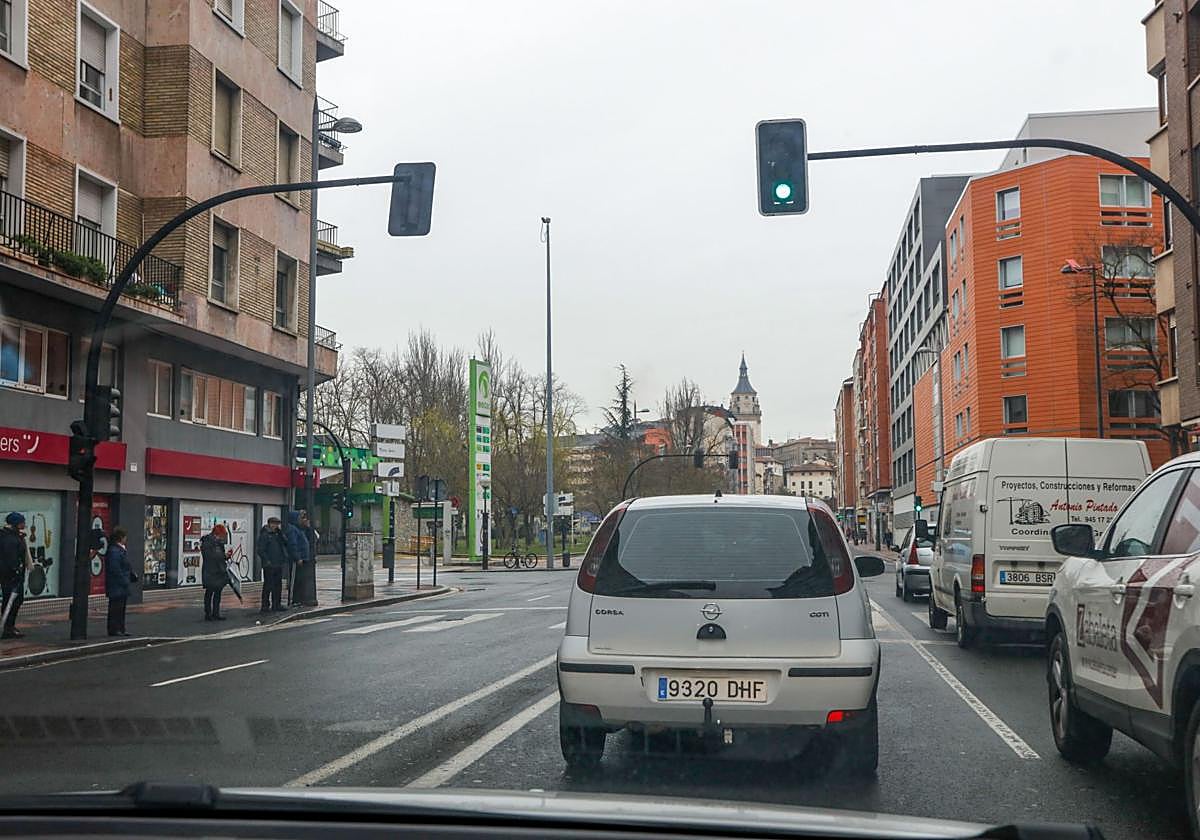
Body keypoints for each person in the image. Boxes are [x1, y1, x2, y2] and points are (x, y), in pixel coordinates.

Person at [0, 512, 31, 639]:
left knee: (14, 600)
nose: (24, 524)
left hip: (10, 574)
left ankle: (9, 626)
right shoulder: (10, 539)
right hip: (11, 576)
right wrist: (16, 571)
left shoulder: (12, 536)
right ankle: (8, 627)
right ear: (16, 524)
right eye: (22, 522)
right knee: (12, 601)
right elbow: (11, 557)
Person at [104, 527, 135, 637]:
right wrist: (124, 579)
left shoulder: (119, 550)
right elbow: (115, 568)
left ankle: (120, 628)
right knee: (115, 608)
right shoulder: (115, 551)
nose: (126, 539)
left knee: (120, 608)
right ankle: (114, 629)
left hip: (120, 585)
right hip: (117, 585)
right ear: (121, 538)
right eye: (125, 537)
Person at [256, 517, 290, 613]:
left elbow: (285, 543)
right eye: (274, 524)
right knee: (268, 585)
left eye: (277, 524)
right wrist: (267, 561)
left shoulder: (277, 534)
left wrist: (281, 534)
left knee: (277, 585)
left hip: (278, 563)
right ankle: (265, 605)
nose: (276, 526)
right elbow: (260, 550)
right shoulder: (265, 534)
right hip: (269, 564)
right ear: (270, 524)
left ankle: (276, 604)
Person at [200, 524, 230, 621]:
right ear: (216, 533)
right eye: (221, 535)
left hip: (219, 570)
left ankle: (216, 613)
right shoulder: (207, 542)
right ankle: (208, 614)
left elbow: (219, 555)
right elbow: (210, 556)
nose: (221, 537)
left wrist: (226, 556)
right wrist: (223, 556)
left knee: (217, 592)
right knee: (209, 592)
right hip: (210, 570)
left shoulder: (218, 543)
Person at [283, 512, 309, 607]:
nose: (303, 519)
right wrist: (297, 558)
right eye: (301, 518)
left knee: (301, 581)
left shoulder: (300, 529)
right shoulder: (292, 530)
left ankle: (298, 599)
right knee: (296, 580)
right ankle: (293, 600)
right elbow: (292, 545)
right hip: (297, 560)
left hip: (303, 558)